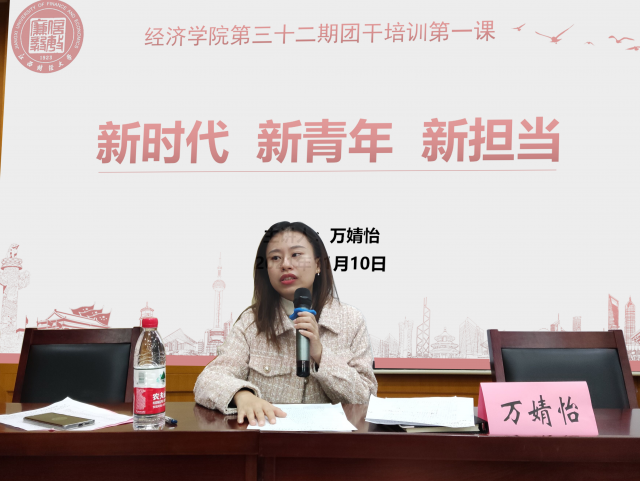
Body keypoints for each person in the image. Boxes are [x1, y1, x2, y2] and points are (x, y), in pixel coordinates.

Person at [194, 221, 377, 426]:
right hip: (270, 441)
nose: (285, 264)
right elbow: (208, 380)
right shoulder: (252, 323)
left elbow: (366, 397)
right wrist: (242, 395)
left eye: (296, 254)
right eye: (275, 258)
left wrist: (320, 355)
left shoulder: (351, 321)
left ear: (318, 264)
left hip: (330, 442)